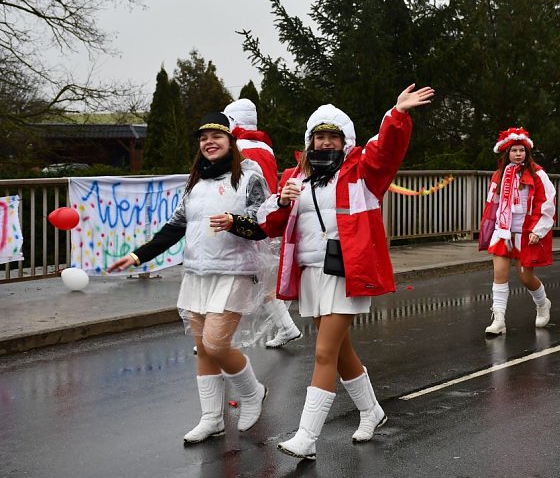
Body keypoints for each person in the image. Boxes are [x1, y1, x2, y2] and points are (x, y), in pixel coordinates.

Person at [255, 84, 433, 460]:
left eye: (332, 137)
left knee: (322, 353)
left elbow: (387, 150)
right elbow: (270, 225)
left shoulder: (362, 173)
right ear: (310, 140)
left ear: (344, 141)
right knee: (339, 353)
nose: (324, 144)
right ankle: (372, 411)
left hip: (346, 272)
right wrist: (280, 202)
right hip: (311, 275)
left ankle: (307, 437)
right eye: (318, 137)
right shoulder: (294, 177)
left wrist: (397, 114)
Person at [108, 112, 271, 443]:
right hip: (198, 271)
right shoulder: (195, 183)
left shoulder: (249, 179)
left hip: (235, 269)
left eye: (217, 136)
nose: (209, 142)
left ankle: (252, 392)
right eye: (203, 138)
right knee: (202, 346)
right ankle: (212, 418)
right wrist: (139, 254)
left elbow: (264, 224)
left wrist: (235, 221)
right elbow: (174, 227)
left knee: (216, 342)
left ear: (231, 142)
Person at [224, 98, 302, 348]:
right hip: (265, 215)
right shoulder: (264, 147)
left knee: (239, 276)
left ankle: (218, 337)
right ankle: (287, 327)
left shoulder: (238, 146)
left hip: (246, 218)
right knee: (259, 278)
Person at [478, 127, 556, 335]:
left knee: (525, 277)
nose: (518, 154)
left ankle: (542, 303)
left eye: (521, 150)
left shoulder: (537, 173)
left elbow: (547, 202)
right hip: (503, 230)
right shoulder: (499, 175)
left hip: (526, 231)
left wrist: (538, 229)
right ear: (507, 153)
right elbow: (492, 203)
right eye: (514, 150)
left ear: (527, 151)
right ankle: (499, 319)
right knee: (499, 274)